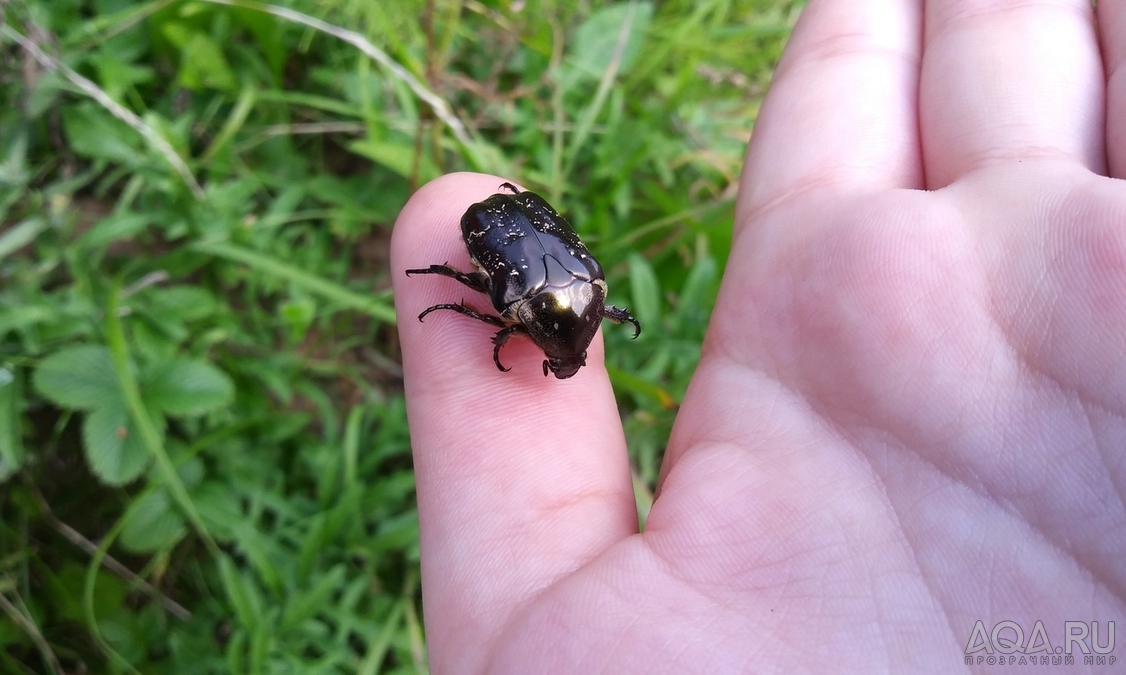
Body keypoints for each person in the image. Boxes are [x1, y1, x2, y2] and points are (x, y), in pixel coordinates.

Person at [390, 0, 1125, 671]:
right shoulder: (563, 294)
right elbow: (522, 283)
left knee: (489, 311)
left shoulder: (564, 298)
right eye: (565, 350)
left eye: (566, 348)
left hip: (520, 240)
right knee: (485, 307)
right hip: (508, 231)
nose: (565, 358)